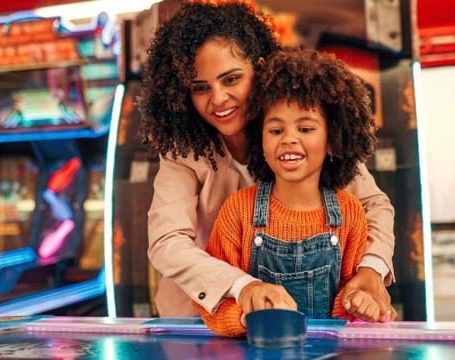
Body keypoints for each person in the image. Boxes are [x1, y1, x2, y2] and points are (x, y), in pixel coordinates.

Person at [140, 2, 396, 322]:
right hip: (200, 318)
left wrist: (372, 269)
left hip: (303, 317)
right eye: (200, 87)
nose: (218, 98)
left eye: (231, 79)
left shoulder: (298, 129)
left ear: (259, 69)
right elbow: (167, 242)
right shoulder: (183, 150)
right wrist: (242, 287)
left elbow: (374, 204)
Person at [197, 48, 380, 336]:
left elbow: (351, 296)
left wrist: (360, 304)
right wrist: (246, 317)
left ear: (333, 140)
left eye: (306, 129)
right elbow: (213, 301)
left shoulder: (350, 214)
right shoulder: (238, 211)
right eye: (275, 130)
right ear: (261, 140)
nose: (289, 139)